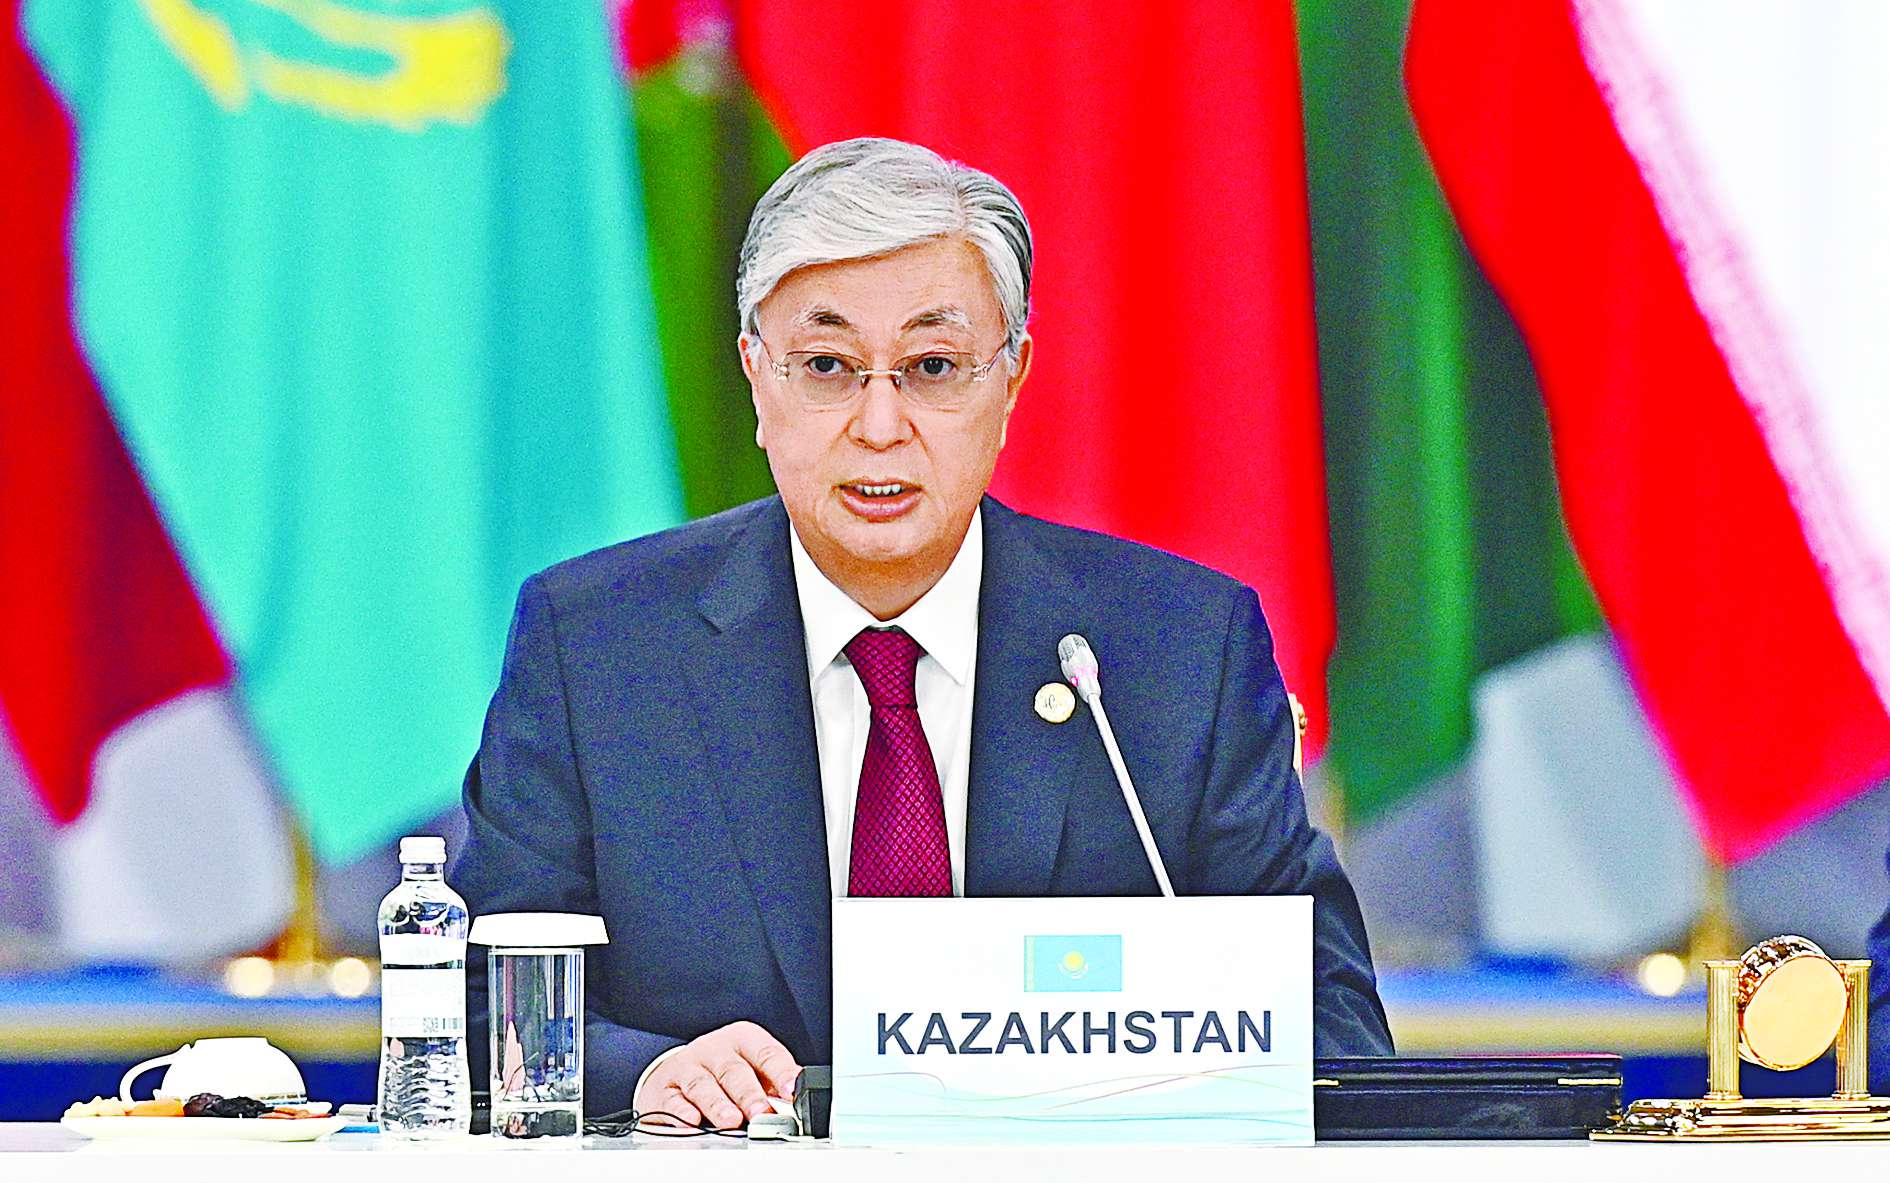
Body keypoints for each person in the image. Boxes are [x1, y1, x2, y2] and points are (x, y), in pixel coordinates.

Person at [452, 136, 1393, 1129]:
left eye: (933, 366)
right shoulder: (598, 649)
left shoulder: (1179, 652)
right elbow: (471, 1006)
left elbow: (1332, 1027)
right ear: (758, 377)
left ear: (1011, 379)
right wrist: (648, 1075)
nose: (879, 424)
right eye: (827, 366)